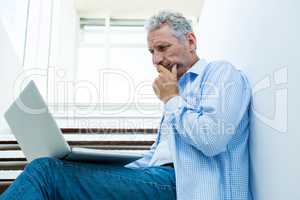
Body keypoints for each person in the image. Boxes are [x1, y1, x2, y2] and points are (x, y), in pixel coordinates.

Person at [1, 10, 252, 200]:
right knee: (57, 170)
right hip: (159, 178)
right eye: (151, 51)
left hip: (186, 187)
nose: (157, 60)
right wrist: (91, 165)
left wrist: (171, 99)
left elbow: (211, 140)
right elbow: (156, 158)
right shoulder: (177, 90)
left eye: (163, 48)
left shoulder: (221, 74)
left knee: (45, 173)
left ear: (190, 41)